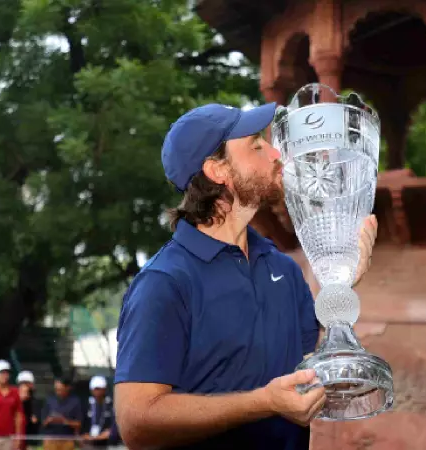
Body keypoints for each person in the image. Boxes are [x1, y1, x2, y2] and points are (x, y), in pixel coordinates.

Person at [114, 102, 378, 449]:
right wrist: (263, 403)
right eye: (256, 144)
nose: (274, 153)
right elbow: (136, 421)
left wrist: (341, 282)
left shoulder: (281, 268)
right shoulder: (164, 282)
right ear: (217, 170)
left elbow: (308, 364)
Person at [40, 379, 81, 450]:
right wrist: (50, 420)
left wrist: (64, 421)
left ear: (67, 388)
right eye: (56, 389)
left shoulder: (75, 402)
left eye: (60, 389)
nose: (58, 392)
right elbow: (43, 422)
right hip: (50, 440)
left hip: (67, 439)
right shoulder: (49, 401)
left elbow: (78, 424)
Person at [80, 377, 119, 449]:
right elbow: (81, 423)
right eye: (96, 388)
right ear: (91, 389)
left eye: (100, 388)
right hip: (89, 442)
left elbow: (114, 423)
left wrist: (108, 433)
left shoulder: (111, 404)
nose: (97, 391)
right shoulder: (86, 404)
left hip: (106, 443)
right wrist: (84, 434)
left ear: (104, 389)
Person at [15, 372, 38, 450]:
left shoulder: (34, 402)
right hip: (14, 437)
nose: (25, 387)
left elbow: (35, 421)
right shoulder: (13, 400)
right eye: (23, 384)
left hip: (29, 438)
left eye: (28, 384)